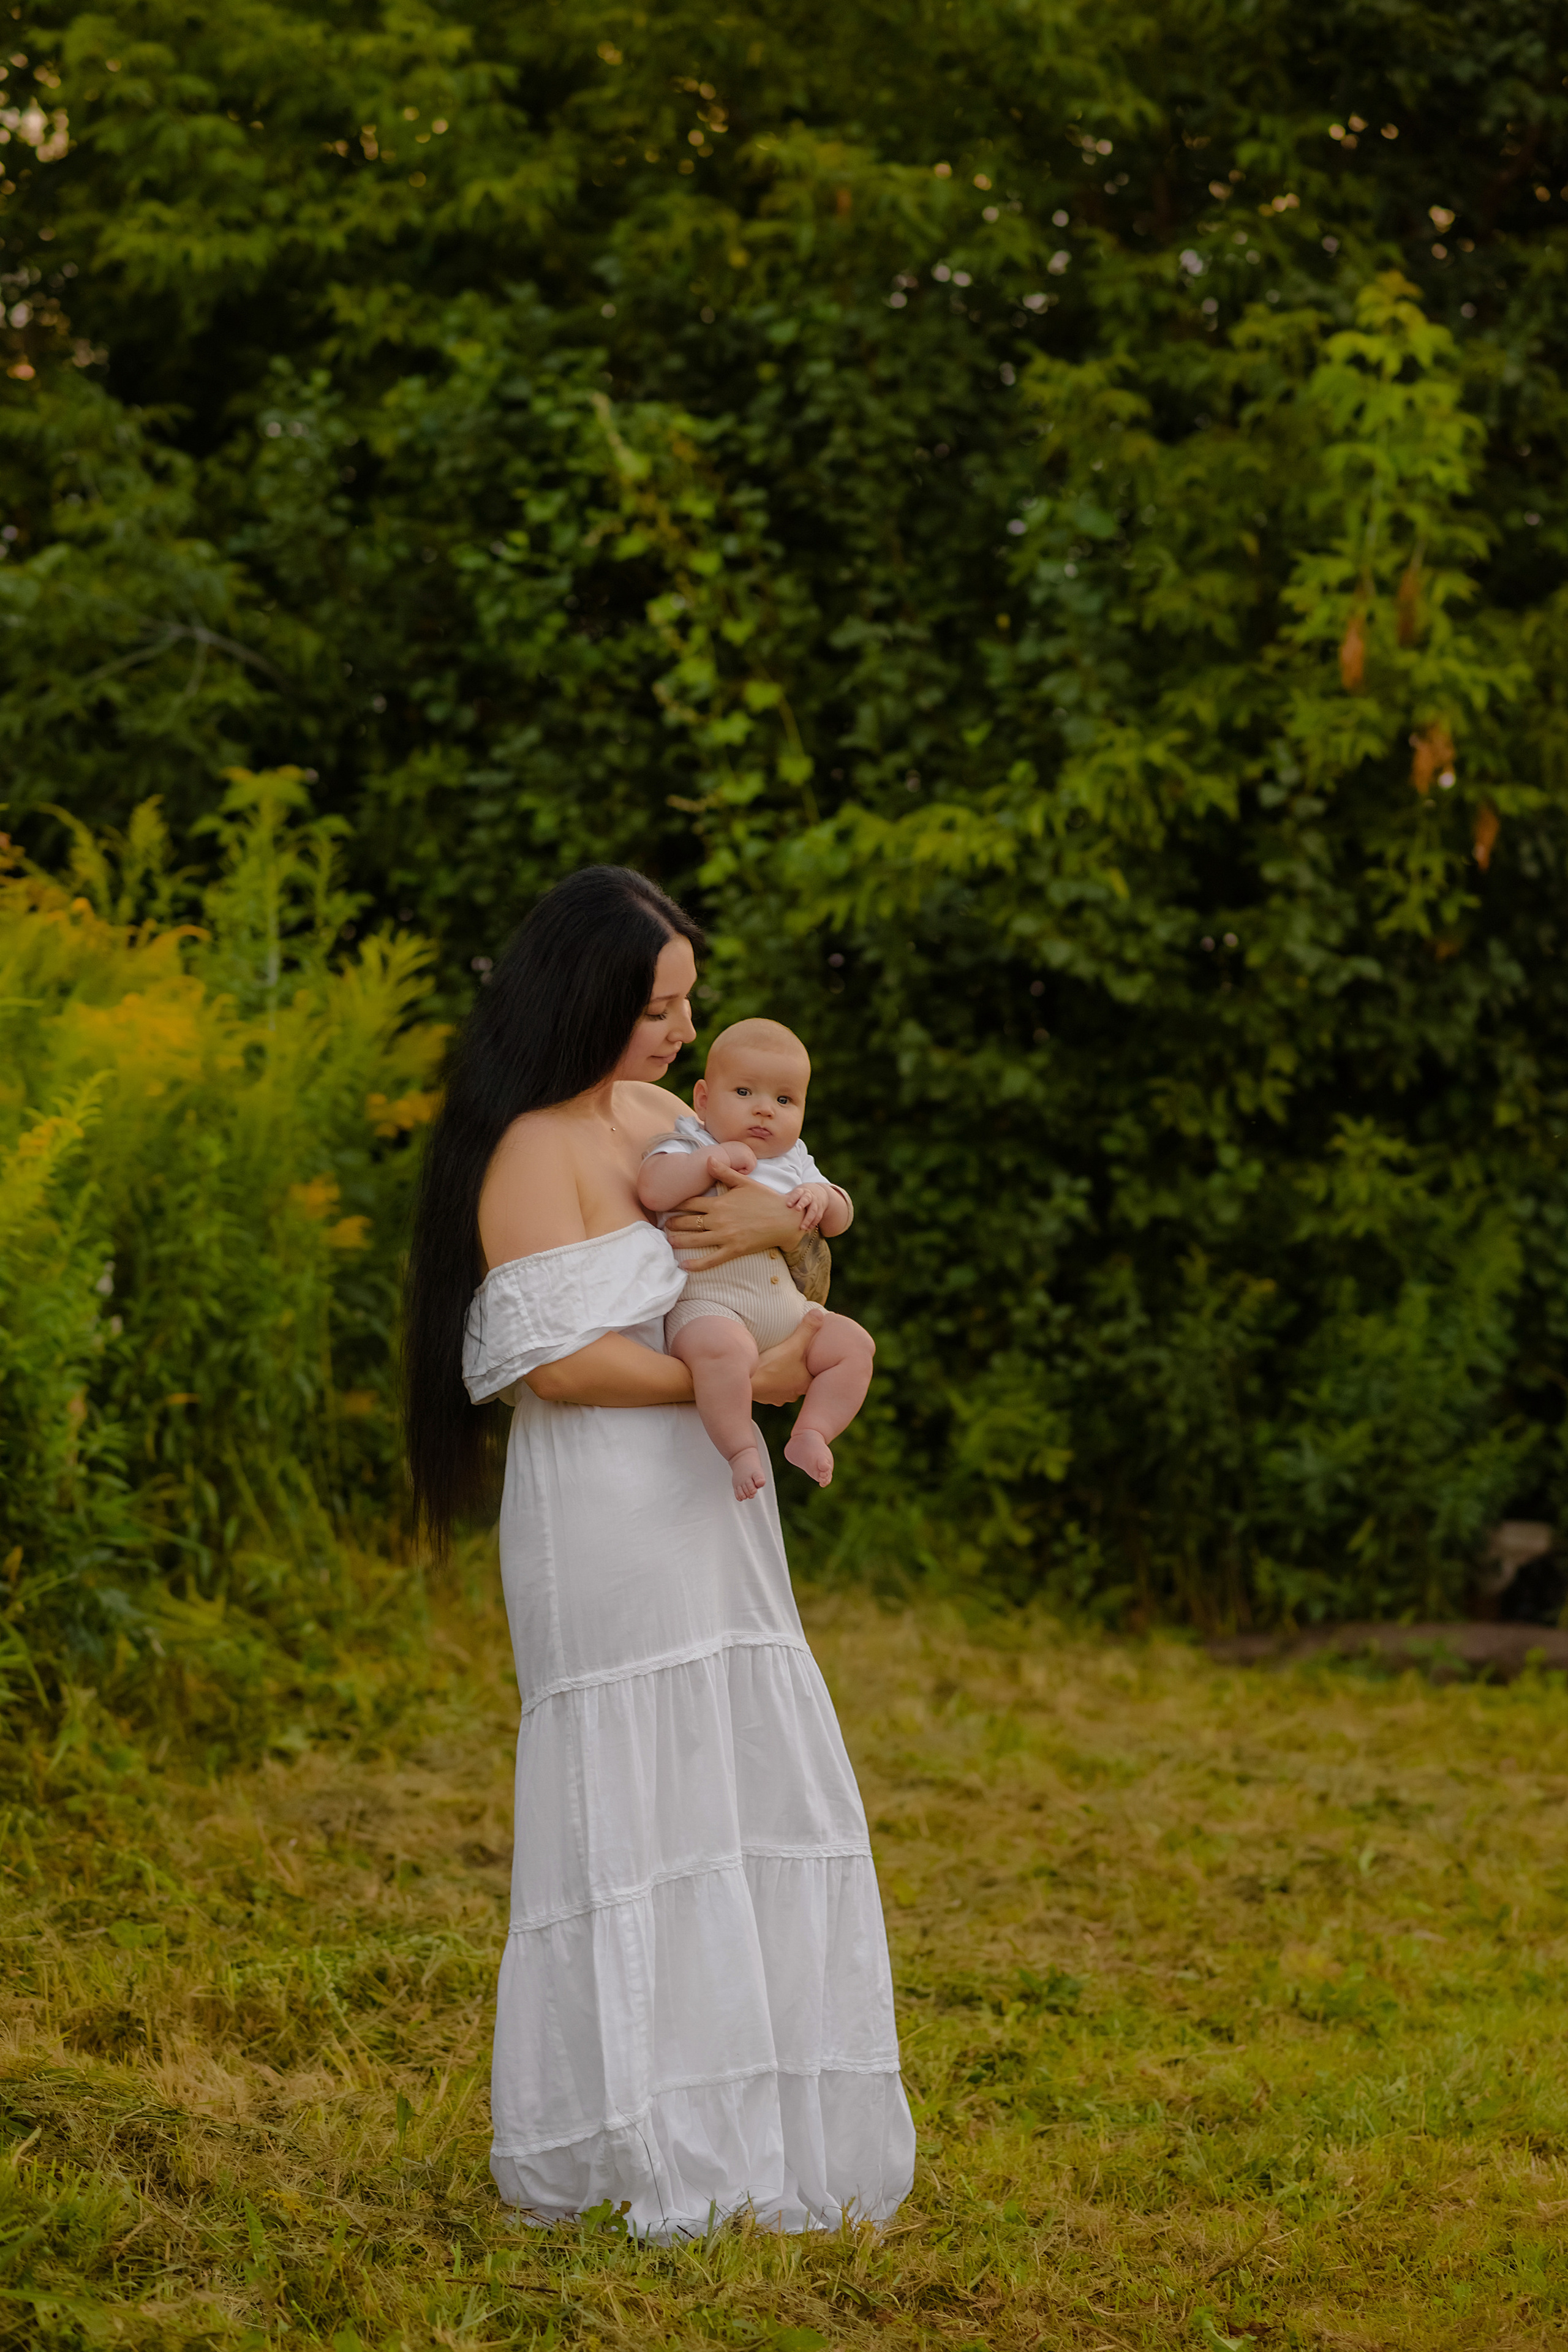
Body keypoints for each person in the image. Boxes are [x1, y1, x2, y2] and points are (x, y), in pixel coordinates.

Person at [402, 866, 915, 2239]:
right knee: (639, 1801)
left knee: (735, 1783)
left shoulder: (659, 1117)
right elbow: (556, 1369)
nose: (683, 1034)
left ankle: (749, 2124)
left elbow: (755, 1270)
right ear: (583, 1000)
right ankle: (636, 2134)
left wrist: (783, 1242)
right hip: (608, 1509)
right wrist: (738, 1388)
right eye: (657, 1008)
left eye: (688, 1003)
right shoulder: (527, 1152)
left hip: (710, 1494)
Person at [636, 1018, 876, 1501]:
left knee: (855, 1345)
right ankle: (740, 1448)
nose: (765, 1111)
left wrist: (821, 1197)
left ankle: (812, 1432)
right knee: (723, 1354)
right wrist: (709, 1161)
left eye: (785, 1101)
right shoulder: (690, 1143)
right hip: (711, 1307)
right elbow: (653, 1188)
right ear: (704, 1100)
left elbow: (841, 1217)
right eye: (745, 1092)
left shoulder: (796, 1162)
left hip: (790, 1311)